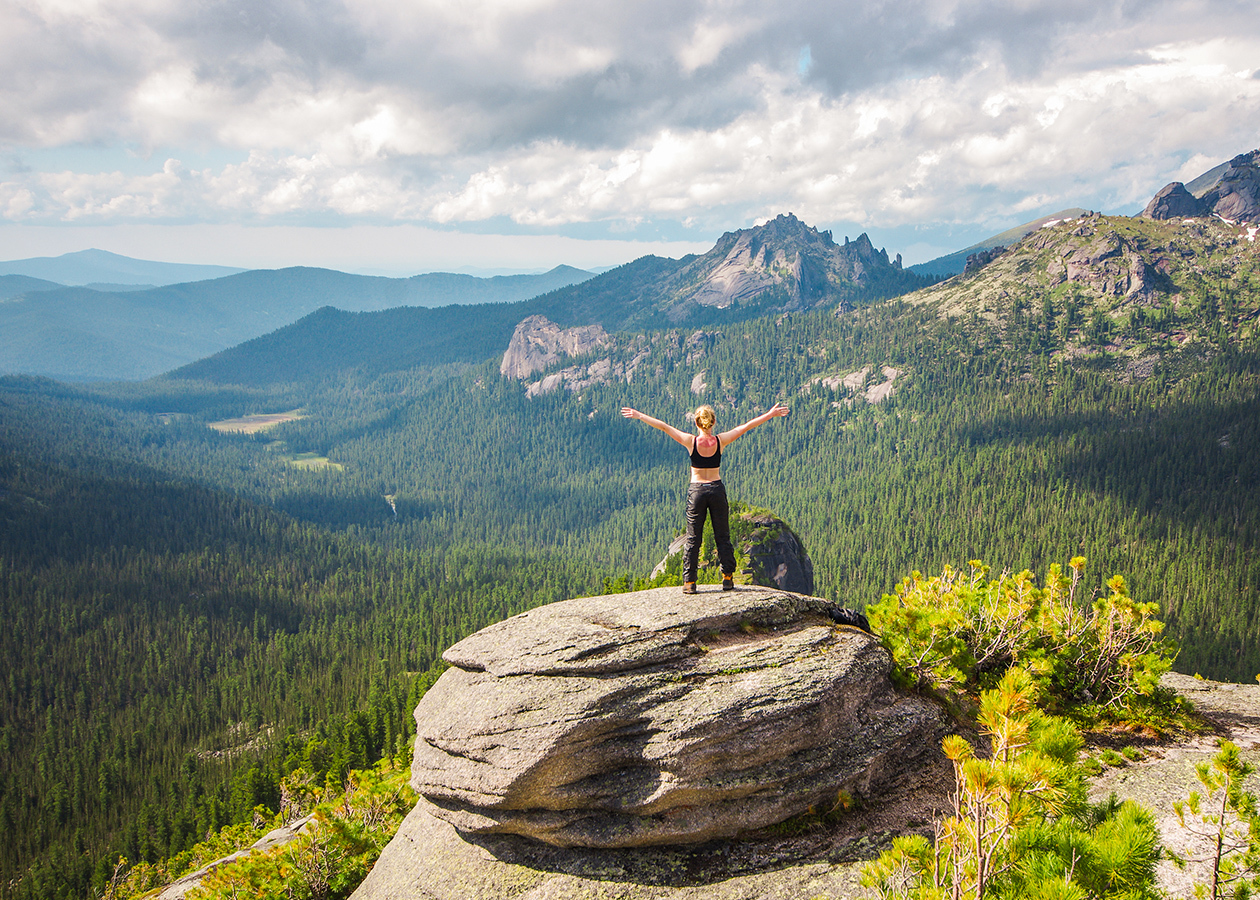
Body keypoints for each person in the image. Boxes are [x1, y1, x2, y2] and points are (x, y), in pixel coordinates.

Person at [621, 402, 790, 593]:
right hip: (717, 490)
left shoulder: (690, 441)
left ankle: (690, 582)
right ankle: (727, 578)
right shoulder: (720, 441)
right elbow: (746, 426)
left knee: (693, 538)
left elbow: (663, 426)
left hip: (697, 491)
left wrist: (639, 415)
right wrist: (770, 414)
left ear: (696, 422)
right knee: (723, 537)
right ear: (713, 422)